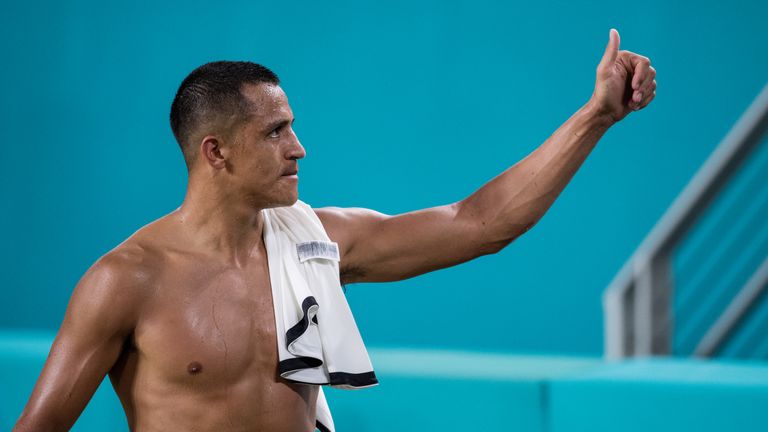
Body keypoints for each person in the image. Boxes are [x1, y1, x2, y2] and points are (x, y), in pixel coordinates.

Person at [14, 28, 655, 431]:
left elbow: (480, 223)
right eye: (275, 132)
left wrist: (595, 118)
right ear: (215, 152)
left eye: (291, 126)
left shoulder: (316, 240)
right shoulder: (126, 281)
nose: (299, 148)